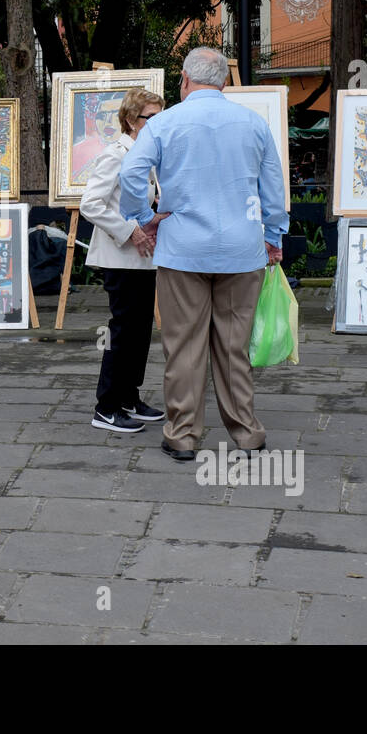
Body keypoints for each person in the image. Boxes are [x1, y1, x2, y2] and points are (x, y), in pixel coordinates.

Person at [120, 47, 288, 462]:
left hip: (182, 250)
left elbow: (130, 172)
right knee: (234, 346)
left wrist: (145, 216)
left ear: (184, 79)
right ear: (225, 81)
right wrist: (275, 235)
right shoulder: (253, 123)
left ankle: (182, 434)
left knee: (183, 345)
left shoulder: (164, 123)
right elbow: (273, 186)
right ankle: (247, 433)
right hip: (242, 248)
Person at [80, 87, 166, 433]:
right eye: (152, 117)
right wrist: (130, 231)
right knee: (122, 330)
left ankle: (130, 396)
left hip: (144, 256)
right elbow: (91, 204)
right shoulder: (115, 155)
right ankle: (106, 406)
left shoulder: (150, 155)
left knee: (140, 329)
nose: (159, 123)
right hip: (120, 256)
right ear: (132, 120)